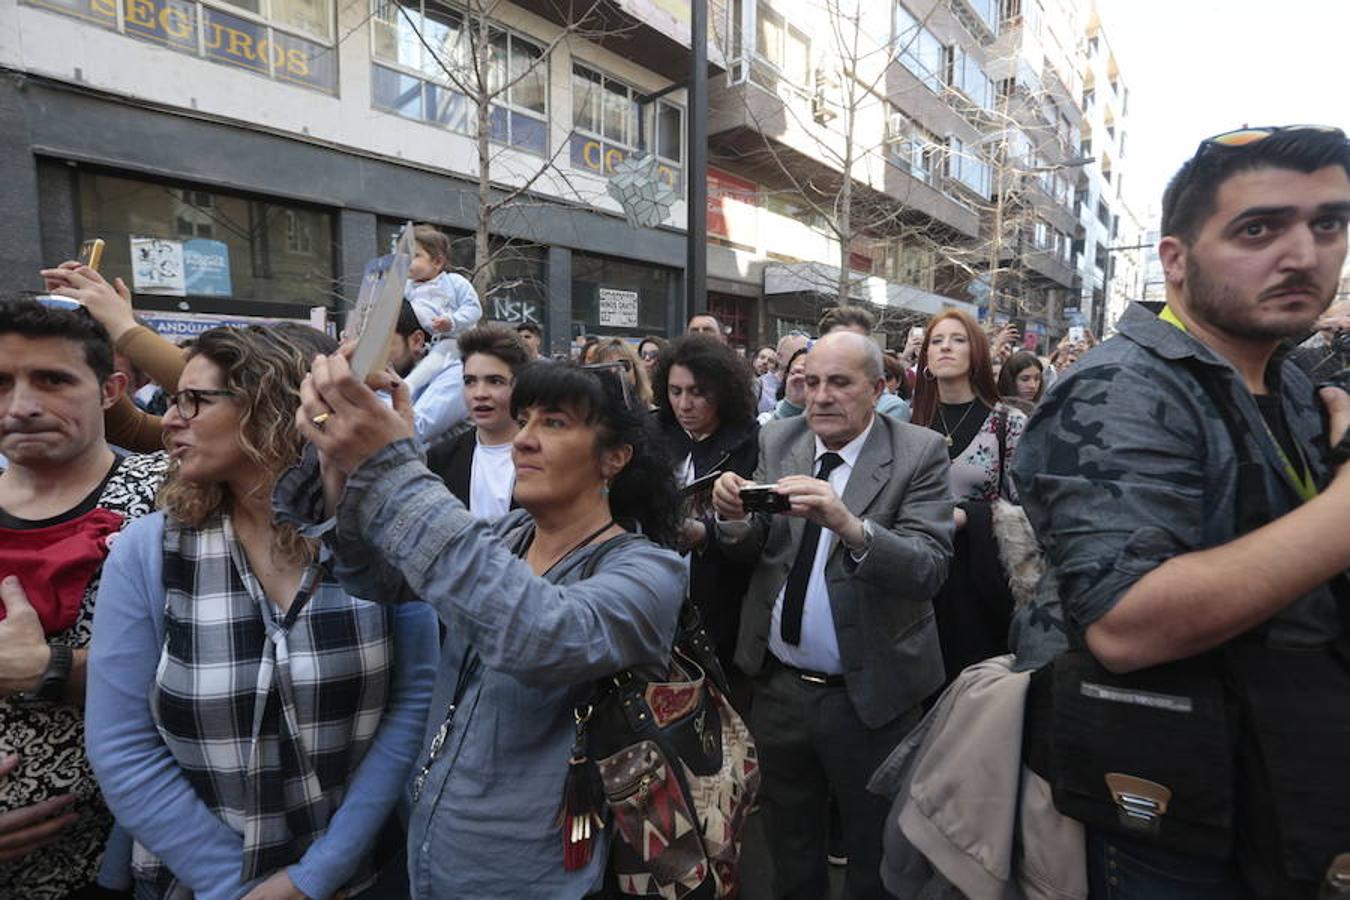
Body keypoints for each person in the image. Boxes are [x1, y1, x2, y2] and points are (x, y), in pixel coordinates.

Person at [1010, 125, 1350, 898]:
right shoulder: (1119, 389)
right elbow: (1128, 623)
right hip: (1175, 815)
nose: (1303, 253)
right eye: (1257, 228)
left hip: (1293, 782)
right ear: (1175, 259)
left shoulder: (1292, 382)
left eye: (1327, 223)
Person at [279, 355, 687, 898]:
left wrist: (394, 468)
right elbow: (370, 573)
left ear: (614, 458)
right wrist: (342, 462)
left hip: (533, 874)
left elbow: (539, 635)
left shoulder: (648, 571)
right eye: (525, 421)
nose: (523, 440)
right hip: (433, 847)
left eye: (556, 423)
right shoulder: (508, 538)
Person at [85, 326, 438, 899]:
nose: (172, 418)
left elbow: (411, 709)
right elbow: (122, 746)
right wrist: (234, 887)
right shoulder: (147, 552)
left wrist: (313, 878)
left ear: (274, 408)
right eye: (174, 399)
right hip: (194, 885)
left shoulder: (375, 546)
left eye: (195, 400)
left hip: (359, 879)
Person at [711, 330, 954, 899]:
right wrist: (729, 517)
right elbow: (756, 550)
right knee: (789, 845)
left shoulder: (918, 452)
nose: (820, 396)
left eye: (839, 383)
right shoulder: (781, 438)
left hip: (871, 697)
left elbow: (929, 568)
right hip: (778, 689)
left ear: (878, 389)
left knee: (875, 853)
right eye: (811, 381)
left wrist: (850, 526)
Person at [0, 296, 168, 898]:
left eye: (52, 380)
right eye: (2, 383)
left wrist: (47, 671)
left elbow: (214, 664)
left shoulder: (172, 501)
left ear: (110, 390)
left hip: (121, 864)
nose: (21, 406)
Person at [910, 310, 1028, 683]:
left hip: (979, 576)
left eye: (958, 339)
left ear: (976, 352)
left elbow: (1028, 509)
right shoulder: (910, 426)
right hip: (918, 572)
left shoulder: (1008, 423)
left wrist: (969, 516)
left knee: (972, 689)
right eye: (937, 340)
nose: (946, 347)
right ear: (925, 357)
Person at [652, 334, 759, 680]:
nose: (684, 404)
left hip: (719, 608)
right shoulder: (652, 434)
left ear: (723, 390)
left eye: (698, 392)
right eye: (675, 391)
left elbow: (762, 536)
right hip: (654, 599)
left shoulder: (751, 442)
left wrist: (705, 535)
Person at [426, 324, 530, 518]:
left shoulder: (546, 456)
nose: (480, 394)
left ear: (520, 385)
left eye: (495, 381)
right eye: (470, 381)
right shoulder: (440, 460)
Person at [388, 299, 469, 443]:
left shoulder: (456, 374)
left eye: (383, 343)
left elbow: (411, 432)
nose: (371, 353)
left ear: (417, 340)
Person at [813, 305, 911, 421]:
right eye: (835, 344)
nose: (844, 352)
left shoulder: (891, 407)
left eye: (854, 343)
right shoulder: (808, 397)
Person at [405, 224, 482, 359]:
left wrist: (452, 321)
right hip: (421, 343)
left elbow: (473, 309)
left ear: (437, 262)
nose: (406, 260)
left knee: (439, 355)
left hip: (454, 343)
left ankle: (410, 381)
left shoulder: (455, 282)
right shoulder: (405, 287)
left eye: (415, 255)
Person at [591, 338, 654, 409]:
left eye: (624, 364)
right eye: (607, 367)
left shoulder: (653, 413)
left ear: (636, 370)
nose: (615, 372)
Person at [758, 332, 809, 415]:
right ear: (779, 356)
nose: (803, 359)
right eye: (797, 354)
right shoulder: (759, 386)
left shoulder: (811, 388)